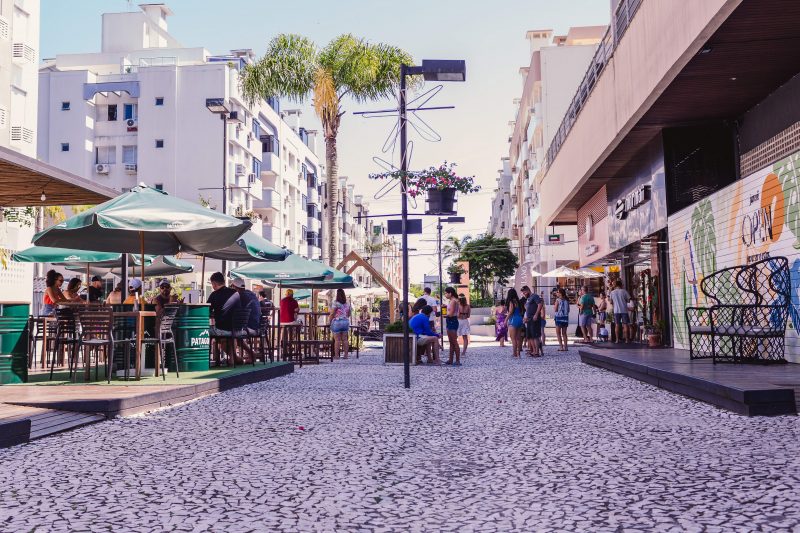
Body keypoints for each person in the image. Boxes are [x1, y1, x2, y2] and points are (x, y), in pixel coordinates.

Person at [231, 278, 261, 362]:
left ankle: (234, 358)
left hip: (249, 327)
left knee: (231, 332)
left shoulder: (240, 296)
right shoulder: (251, 294)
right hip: (257, 326)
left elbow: (234, 310)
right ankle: (250, 353)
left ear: (234, 287)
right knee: (235, 332)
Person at [329, 288, 352, 359]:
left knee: (337, 340)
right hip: (345, 321)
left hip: (337, 322)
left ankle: (336, 356)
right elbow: (349, 314)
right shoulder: (347, 303)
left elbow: (332, 313)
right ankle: (346, 355)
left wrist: (329, 320)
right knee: (345, 339)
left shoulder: (335, 302)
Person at [521, 286, 543, 357]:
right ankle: (533, 350)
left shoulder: (535, 296)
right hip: (529, 319)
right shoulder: (528, 299)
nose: (524, 294)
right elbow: (527, 309)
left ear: (528, 290)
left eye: (524, 292)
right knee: (529, 336)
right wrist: (526, 318)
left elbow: (540, 304)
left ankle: (537, 352)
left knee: (535, 335)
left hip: (534, 318)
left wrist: (536, 314)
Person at [609, 279, 632, 343]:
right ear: (621, 285)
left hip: (616, 310)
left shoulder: (612, 292)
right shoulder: (624, 291)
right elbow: (629, 300)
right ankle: (627, 340)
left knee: (617, 325)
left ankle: (616, 340)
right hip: (624, 310)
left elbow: (611, 302)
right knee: (625, 325)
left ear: (616, 285)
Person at [443, 287, 461, 365]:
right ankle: (450, 359)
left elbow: (450, 314)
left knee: (454, 341)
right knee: (451, 342)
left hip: (452, 321)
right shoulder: (452, 301)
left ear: (450, 293)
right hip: (451, 321)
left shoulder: (453, 301)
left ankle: (457, 360)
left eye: (446, 293)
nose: (445, 294)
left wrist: (444, 315)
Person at [506, 288, 524, 358]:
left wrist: (506, 319)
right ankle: (518, 353)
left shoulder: (511, 302)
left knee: (513, 338)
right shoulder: (518, 302)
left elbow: (510, 312)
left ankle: (514, 353)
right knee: (518, 338)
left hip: (513, 319)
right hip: (519, 319)